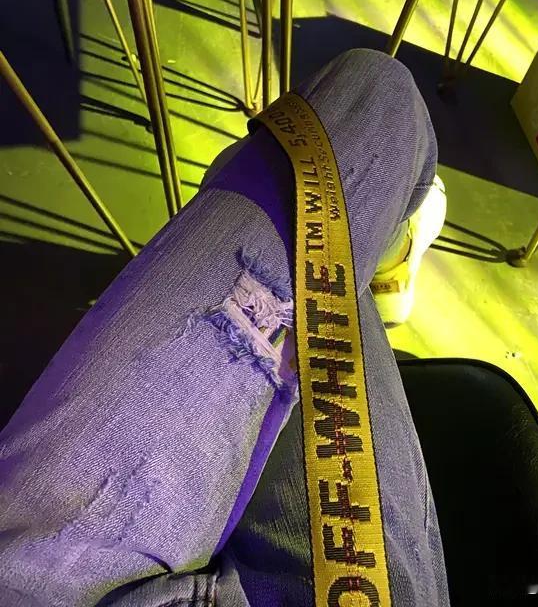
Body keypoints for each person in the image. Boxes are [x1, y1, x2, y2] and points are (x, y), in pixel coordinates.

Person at [0, 49, 449, 606]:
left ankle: (379, 248)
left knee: (350, 125)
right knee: (376, 95)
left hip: (34, 577)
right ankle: (388, 252)